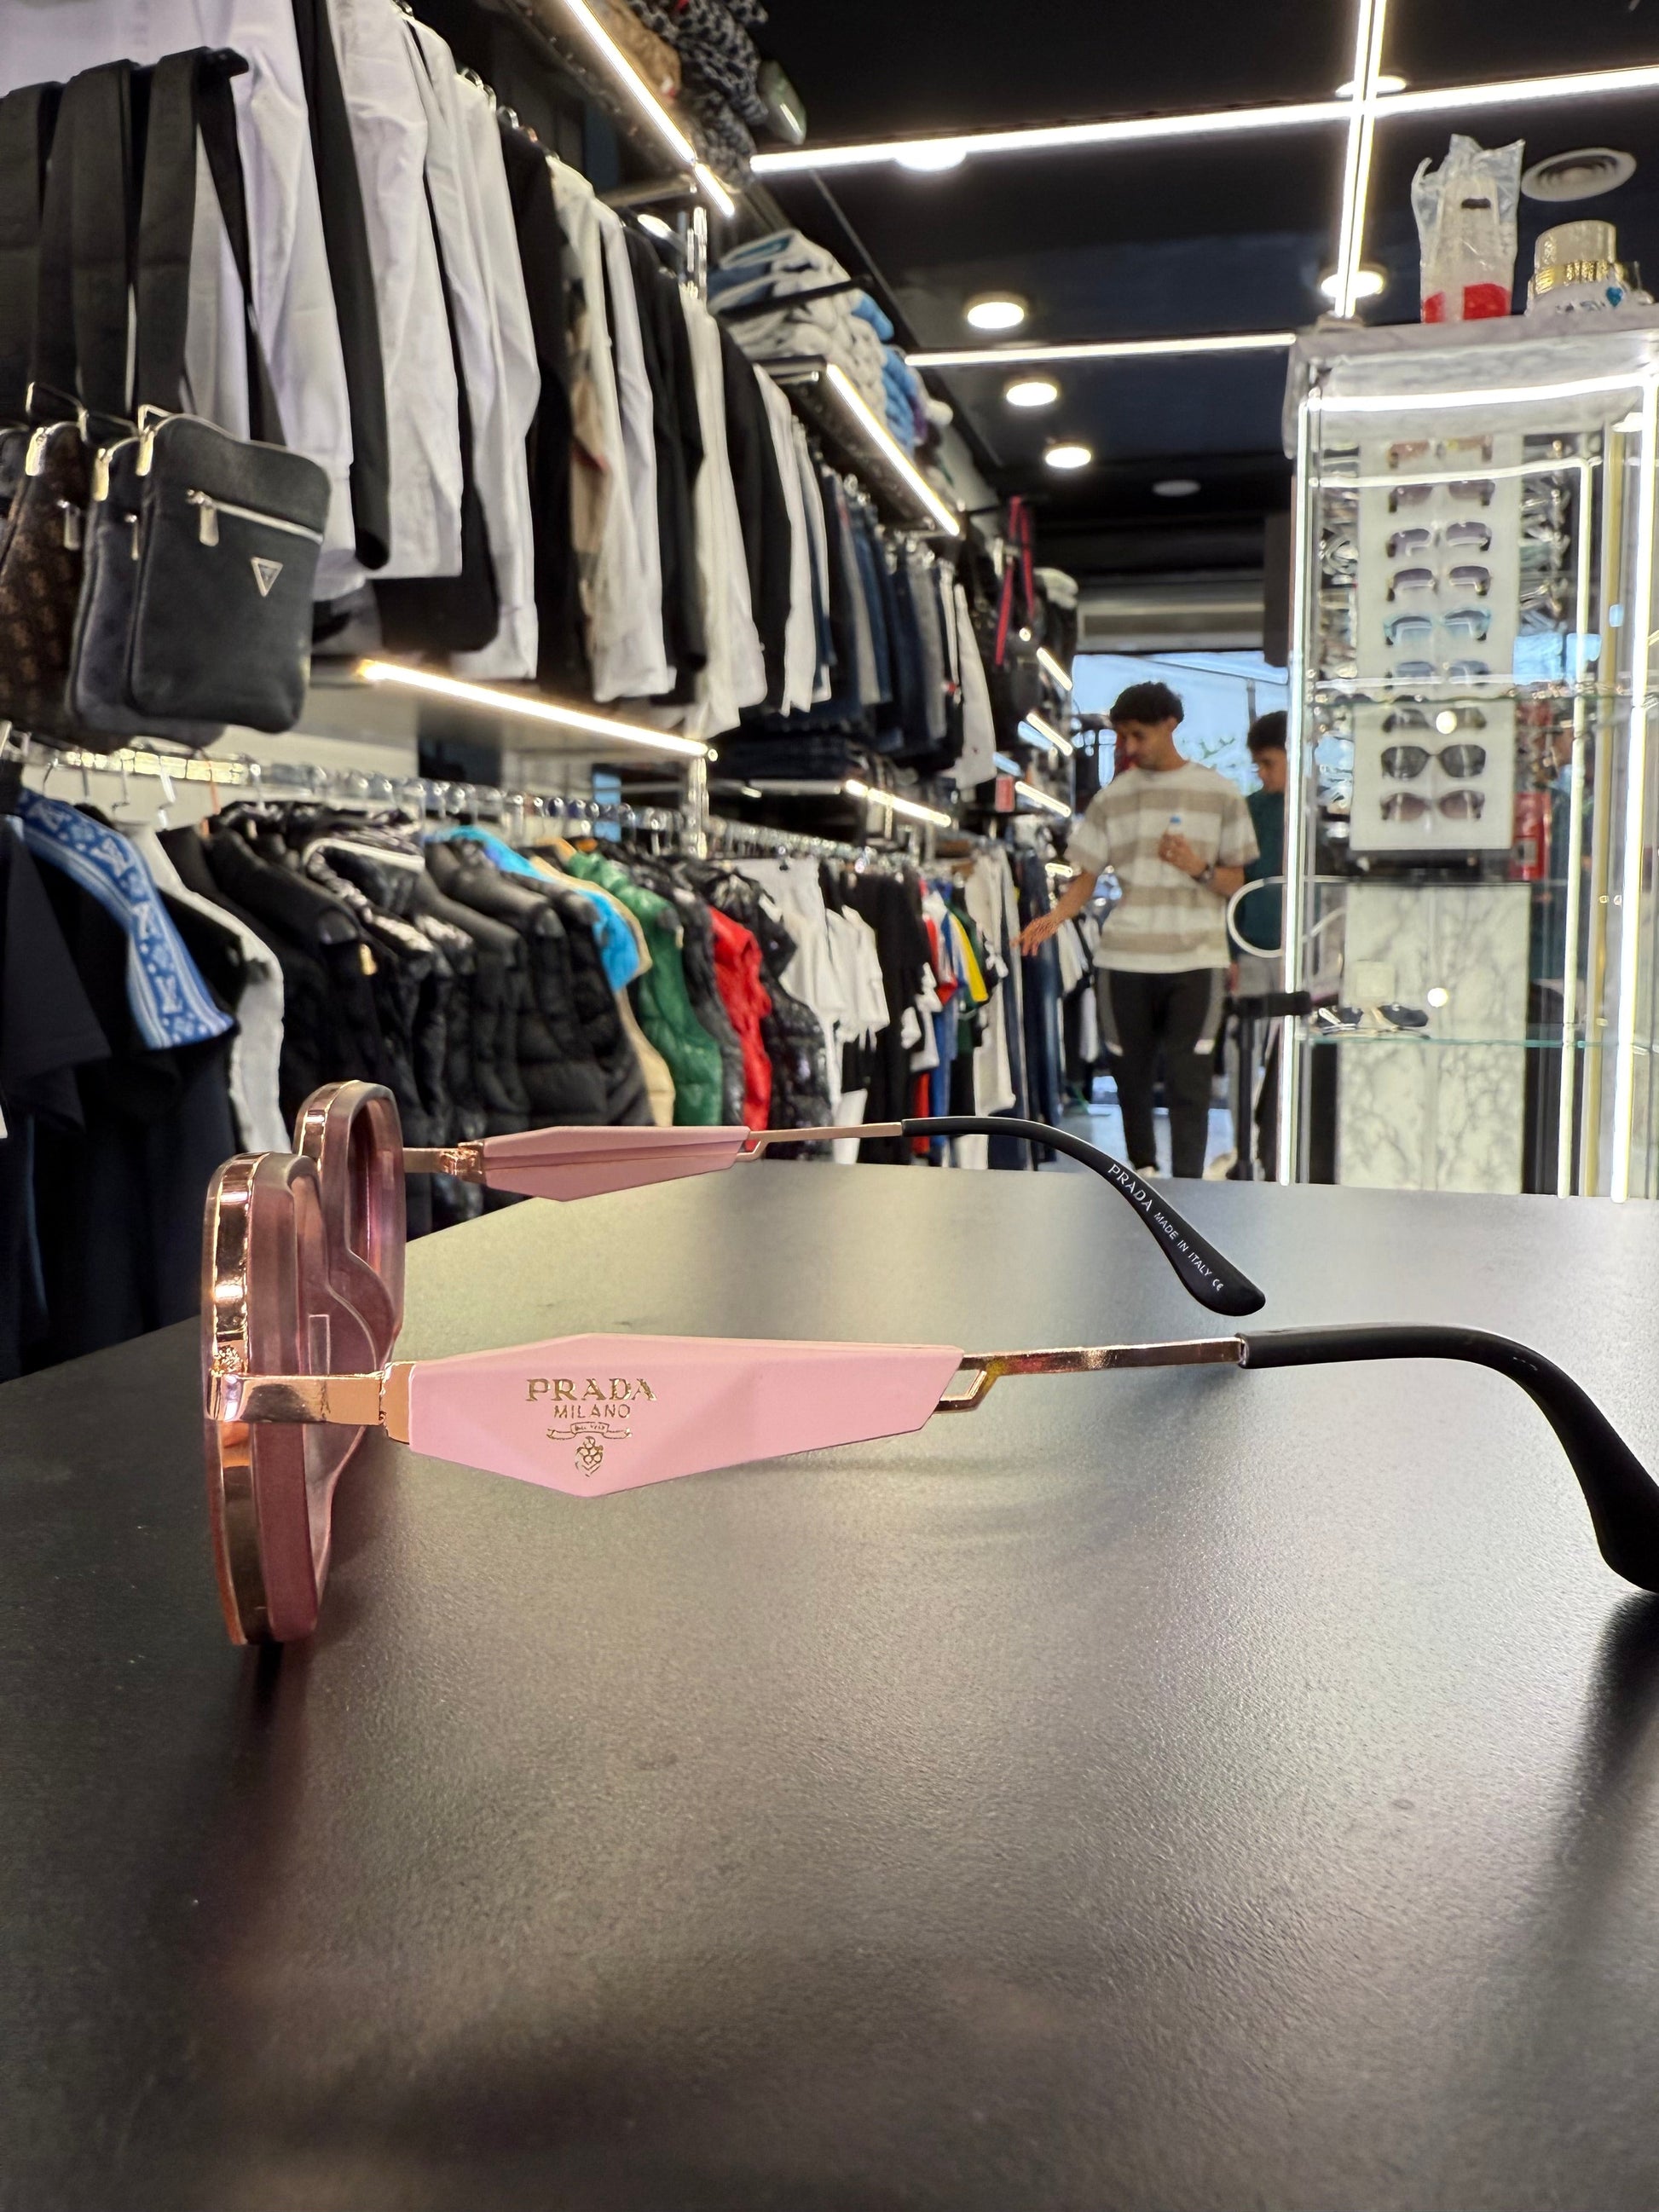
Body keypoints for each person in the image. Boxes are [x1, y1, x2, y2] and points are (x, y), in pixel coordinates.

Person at [1021, 679, 1257, 1179]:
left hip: (1197, 959)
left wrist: (1198, 868)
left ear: (1170, 725)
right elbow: (1085, 878)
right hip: (1124, 959)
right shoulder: (1113, 799)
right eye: (1121, 736)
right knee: (1130, 1077)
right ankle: (1143, 1175)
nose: (1127, 747)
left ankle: (1190, 1186)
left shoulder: (1220, 794)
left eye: (1137, 735)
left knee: (1190, 1081)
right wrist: (1054, 917)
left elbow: (1237, 881)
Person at [1228, 711, 1288, 1178]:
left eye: (1269, 763)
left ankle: (1281, 1148)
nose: (1263, 774)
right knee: (1242, 1052)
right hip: (1249, 947)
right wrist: (1229, 952)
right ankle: (1244, 1150)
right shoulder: (1247, 810)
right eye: (1258, 765)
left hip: (1302, 954)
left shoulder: (1318, 813)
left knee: (1292, 1053)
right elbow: (1232, 886)